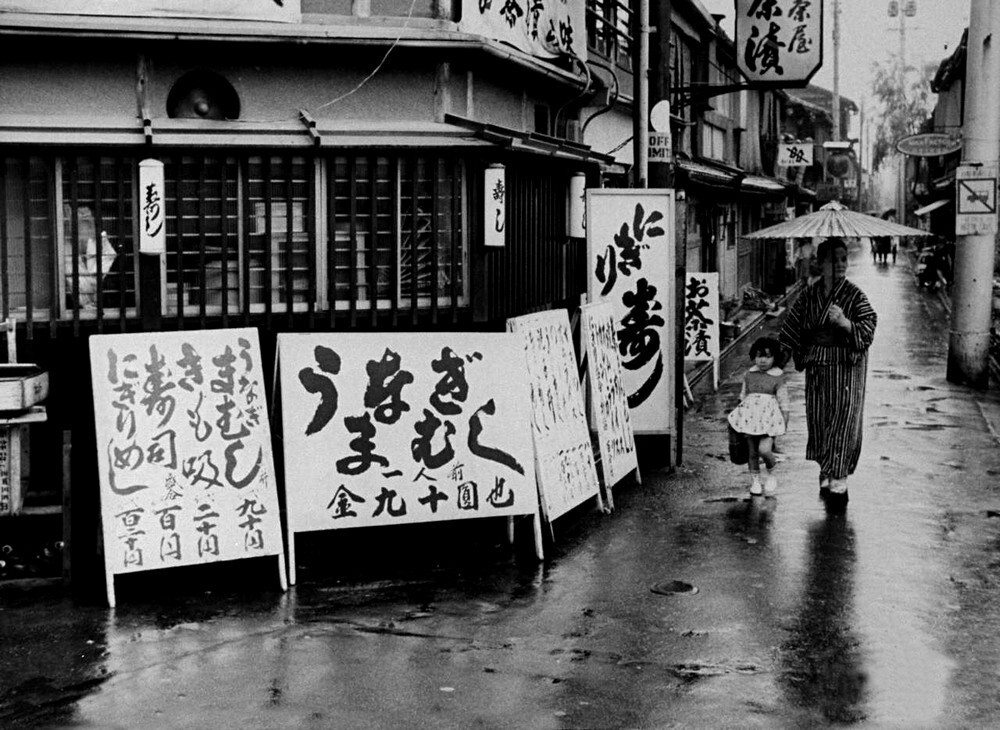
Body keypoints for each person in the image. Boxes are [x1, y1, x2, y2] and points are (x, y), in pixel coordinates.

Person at [779, 237, 877, 511]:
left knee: (843, 422)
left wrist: (845, 323)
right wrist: (777, 362)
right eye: (834, 260)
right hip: (819, 371)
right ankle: (826, 469)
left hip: (847, 369)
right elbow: (791, 328)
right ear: (820, 263)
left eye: (844, 259)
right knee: (821, 420)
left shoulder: (855, 295)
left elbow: (869, 324)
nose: (841, 264)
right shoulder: (809, 296)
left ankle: (839, 479)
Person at [727, 336, 790, 498]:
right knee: (752, 452)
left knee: (765, 449)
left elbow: (784, 403)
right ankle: (755, 480)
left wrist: (784, 423)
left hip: (769, 421)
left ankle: (771, 473)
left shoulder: (778, 377)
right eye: (759, 356)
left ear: (775, 358)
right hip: (750, 418)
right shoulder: (749, 375)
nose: (762, 360)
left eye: (767, 356)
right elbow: (743, 396)